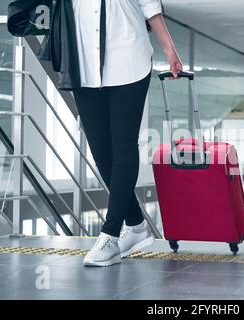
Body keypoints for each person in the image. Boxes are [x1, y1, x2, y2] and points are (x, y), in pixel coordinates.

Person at [71, 0, 183, 267]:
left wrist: (170, 51)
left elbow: (150, 8)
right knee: (100, 150)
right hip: (83, 64)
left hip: (128, 60)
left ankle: (110, 235)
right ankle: (135, 225)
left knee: (123, 144)